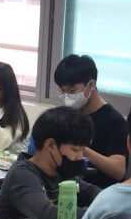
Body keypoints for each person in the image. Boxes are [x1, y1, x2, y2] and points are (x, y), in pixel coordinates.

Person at [53, 54, 127, 187]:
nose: (68, 96)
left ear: (91, 85)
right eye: (64, 92)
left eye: (72, 90)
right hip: (69, 186)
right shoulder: (73, 115)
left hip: (99, 191)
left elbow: (119, 171)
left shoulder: (114, 121)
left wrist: (81, 148)